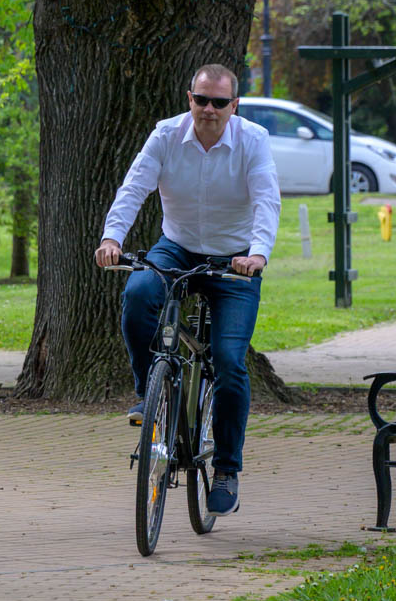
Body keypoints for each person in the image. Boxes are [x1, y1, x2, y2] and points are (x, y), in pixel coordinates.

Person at [93, 64, 279, 516]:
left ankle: (227, 470)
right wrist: (112, 238)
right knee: (139, 294)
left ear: (234, 106)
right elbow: (133, 189)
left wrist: (257, 253)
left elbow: (266, 199)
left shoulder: (252, 140)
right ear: (189, 99)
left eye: (219, 102)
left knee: (230, 362)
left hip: (234, 257)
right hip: (176, 246)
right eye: (201, 100)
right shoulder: (165, 135)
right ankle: (149, 390)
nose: (209, 109)